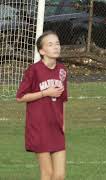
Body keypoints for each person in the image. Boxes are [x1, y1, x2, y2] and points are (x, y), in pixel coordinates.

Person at [16, 31, 68, 180]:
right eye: (50, 44)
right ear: (42, 51)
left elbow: (63, 99)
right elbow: (20, 97)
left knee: (59, 176)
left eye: (57, 43)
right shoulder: (34, 70)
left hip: (56, 127)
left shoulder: (62, 70)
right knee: (48, 174)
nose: (56, 47)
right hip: (39, 127)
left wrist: (63, 123)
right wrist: (45, 93)